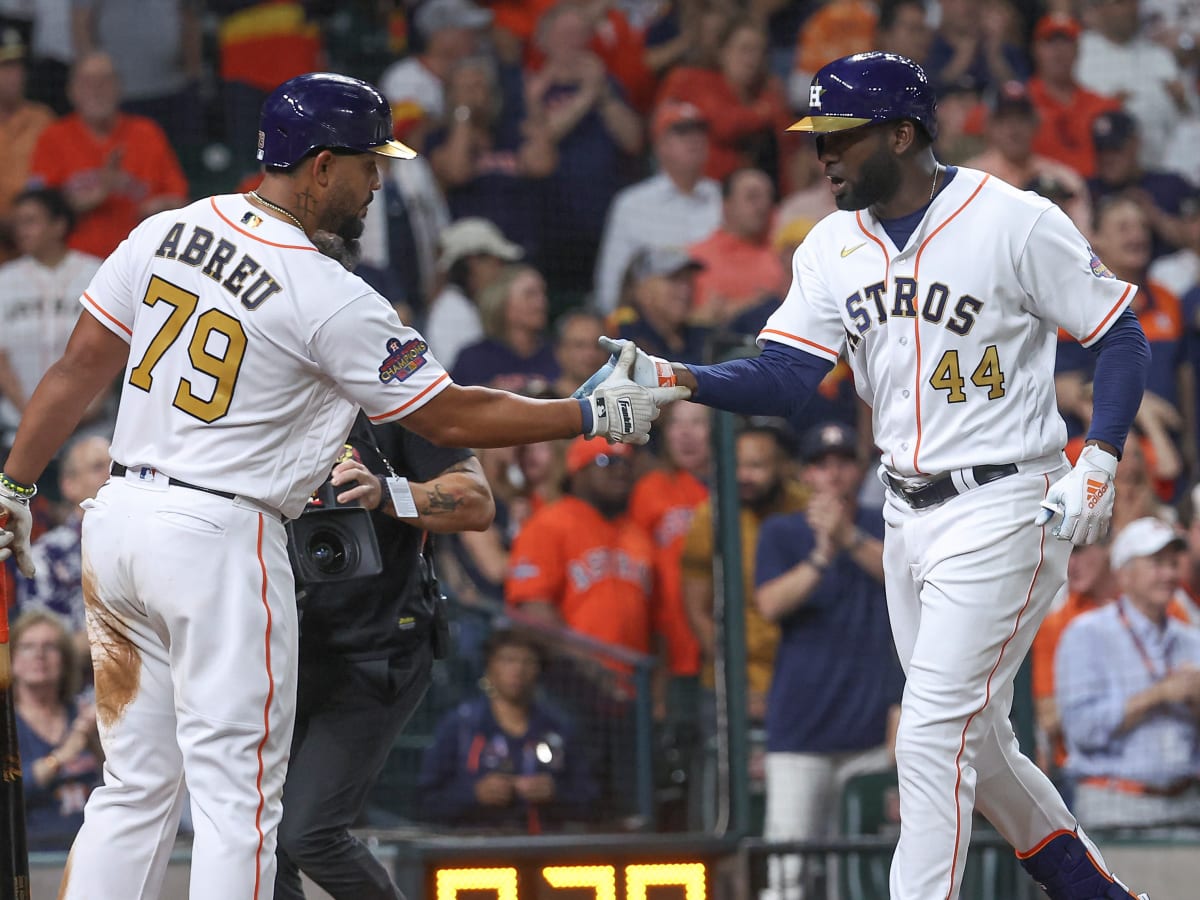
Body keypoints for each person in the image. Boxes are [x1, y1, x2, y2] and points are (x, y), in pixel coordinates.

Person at [0, 72, 683, 900]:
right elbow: (451, 420)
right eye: (367, 163)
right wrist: (587, 416)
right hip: (216, 540)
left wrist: (15, 486)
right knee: (238, 806)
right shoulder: (326, 291)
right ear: (321, 166)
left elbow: (76, 369)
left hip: (121, 522)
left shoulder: (168, 230)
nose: (378, 181)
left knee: (133, 788)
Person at [584, 52, 1155, 900]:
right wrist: (679, 379)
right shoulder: (829, 245)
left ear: (902, 133)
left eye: (841, 138)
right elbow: (783, 376)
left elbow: (1120, 336)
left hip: (1005, 501)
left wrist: (1101, 457)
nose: (823, 157)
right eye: (818, 139)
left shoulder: (1012, 220)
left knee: (927, 742)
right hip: (902, 513)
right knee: (980, 748)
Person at [274, 415, 494, 900]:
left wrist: (386, 493)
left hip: (376, 655)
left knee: (307, 832)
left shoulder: (392, 395)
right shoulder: (267, 392)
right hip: (283, 653)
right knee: (259, 839)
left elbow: (478, 502)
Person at [754, 422, 903, 900]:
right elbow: (770, 604)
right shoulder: (782, 532)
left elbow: (904, 579)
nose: (834, 474)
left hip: (870, 734)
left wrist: (848, 538)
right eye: (822, 464)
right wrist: (822, 553)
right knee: (787, 875)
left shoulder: (885, 524)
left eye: (843, 463)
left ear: (859, 470)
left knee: (858, 880)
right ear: (806, 474)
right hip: (801, 732)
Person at [1056, 517, 1200, 830]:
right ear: (1124, 573)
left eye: (1174, 563)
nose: (1169, 574)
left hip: (1188, 807)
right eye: (1156, 563)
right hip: (1116, 809)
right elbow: (1081, 730)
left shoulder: (1193, 639)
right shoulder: (1086, 634)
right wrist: (1158, 694)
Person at [416, 625, 598, 831]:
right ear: (489, 667)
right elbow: (427, 801)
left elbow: (590, 796)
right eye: (508, 660)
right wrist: (473, 794)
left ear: (539, 669)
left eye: (528, 661)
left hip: (544, 849)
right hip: (475, 851)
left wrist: (555, 792)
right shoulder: (460, 725)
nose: (518, 670)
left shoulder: (559, 727)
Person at [27, 51, 188, 260]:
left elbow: (181, 200)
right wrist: (95, 195)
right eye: (88, 82)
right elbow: (39, 212)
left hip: (142, 259)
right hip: (74, 268)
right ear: (71, 91)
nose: (97, 90)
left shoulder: (146, 133)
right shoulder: (53, 137)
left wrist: (160, 208)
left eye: (106, 81)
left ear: (120, 88)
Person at [592, 99, 721, 315]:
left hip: (715, 318)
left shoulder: (721, 197)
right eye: (682, 132)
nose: (694, 139)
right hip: (652, 325)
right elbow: (610, 286)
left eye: (700, 131)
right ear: (660, 145)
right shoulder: (632, 203)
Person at [0, 188, 104, 450]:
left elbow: (112, 348)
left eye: (31, 221)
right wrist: (31, 414)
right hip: (17, 428)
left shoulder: (97, 273)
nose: (21, 231)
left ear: (58, 225)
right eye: (18, 223)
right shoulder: (5, 279)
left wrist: (85, 411)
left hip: (91, 431)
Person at [11, 609, 103, 851]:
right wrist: (61, 756)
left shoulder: (82, 716)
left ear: (64, 660)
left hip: (93, 846)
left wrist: (101, 740)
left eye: (50, 647)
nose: (39, 654)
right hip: (34, 856)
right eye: (28, 646)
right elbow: (9, 794)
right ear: (12, 660)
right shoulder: (7, 725)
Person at [17, 433, 111, 648]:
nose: (111, 475)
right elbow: (44, 647)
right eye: (98, 467)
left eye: (116, 466)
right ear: (70, 485)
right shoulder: (47, 555)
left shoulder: (149, 539)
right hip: (81, 678)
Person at [687, 167, 787, 325]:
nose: (763, 205)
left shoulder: (784, 257)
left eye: (769, 197)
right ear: (727, 205)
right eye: (752, 197)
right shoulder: (695, 258)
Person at [424, 217, 524, 372]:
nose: (501, 270)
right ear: (472, 263)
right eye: (496, 262)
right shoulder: (451, 311)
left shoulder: (469, 305)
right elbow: (460, 378)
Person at [451, 263, 560, 393]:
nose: (541, 302)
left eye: (543, 294)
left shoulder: (558, 354)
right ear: (501, 302)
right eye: (530, 295)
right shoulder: (473, 359)